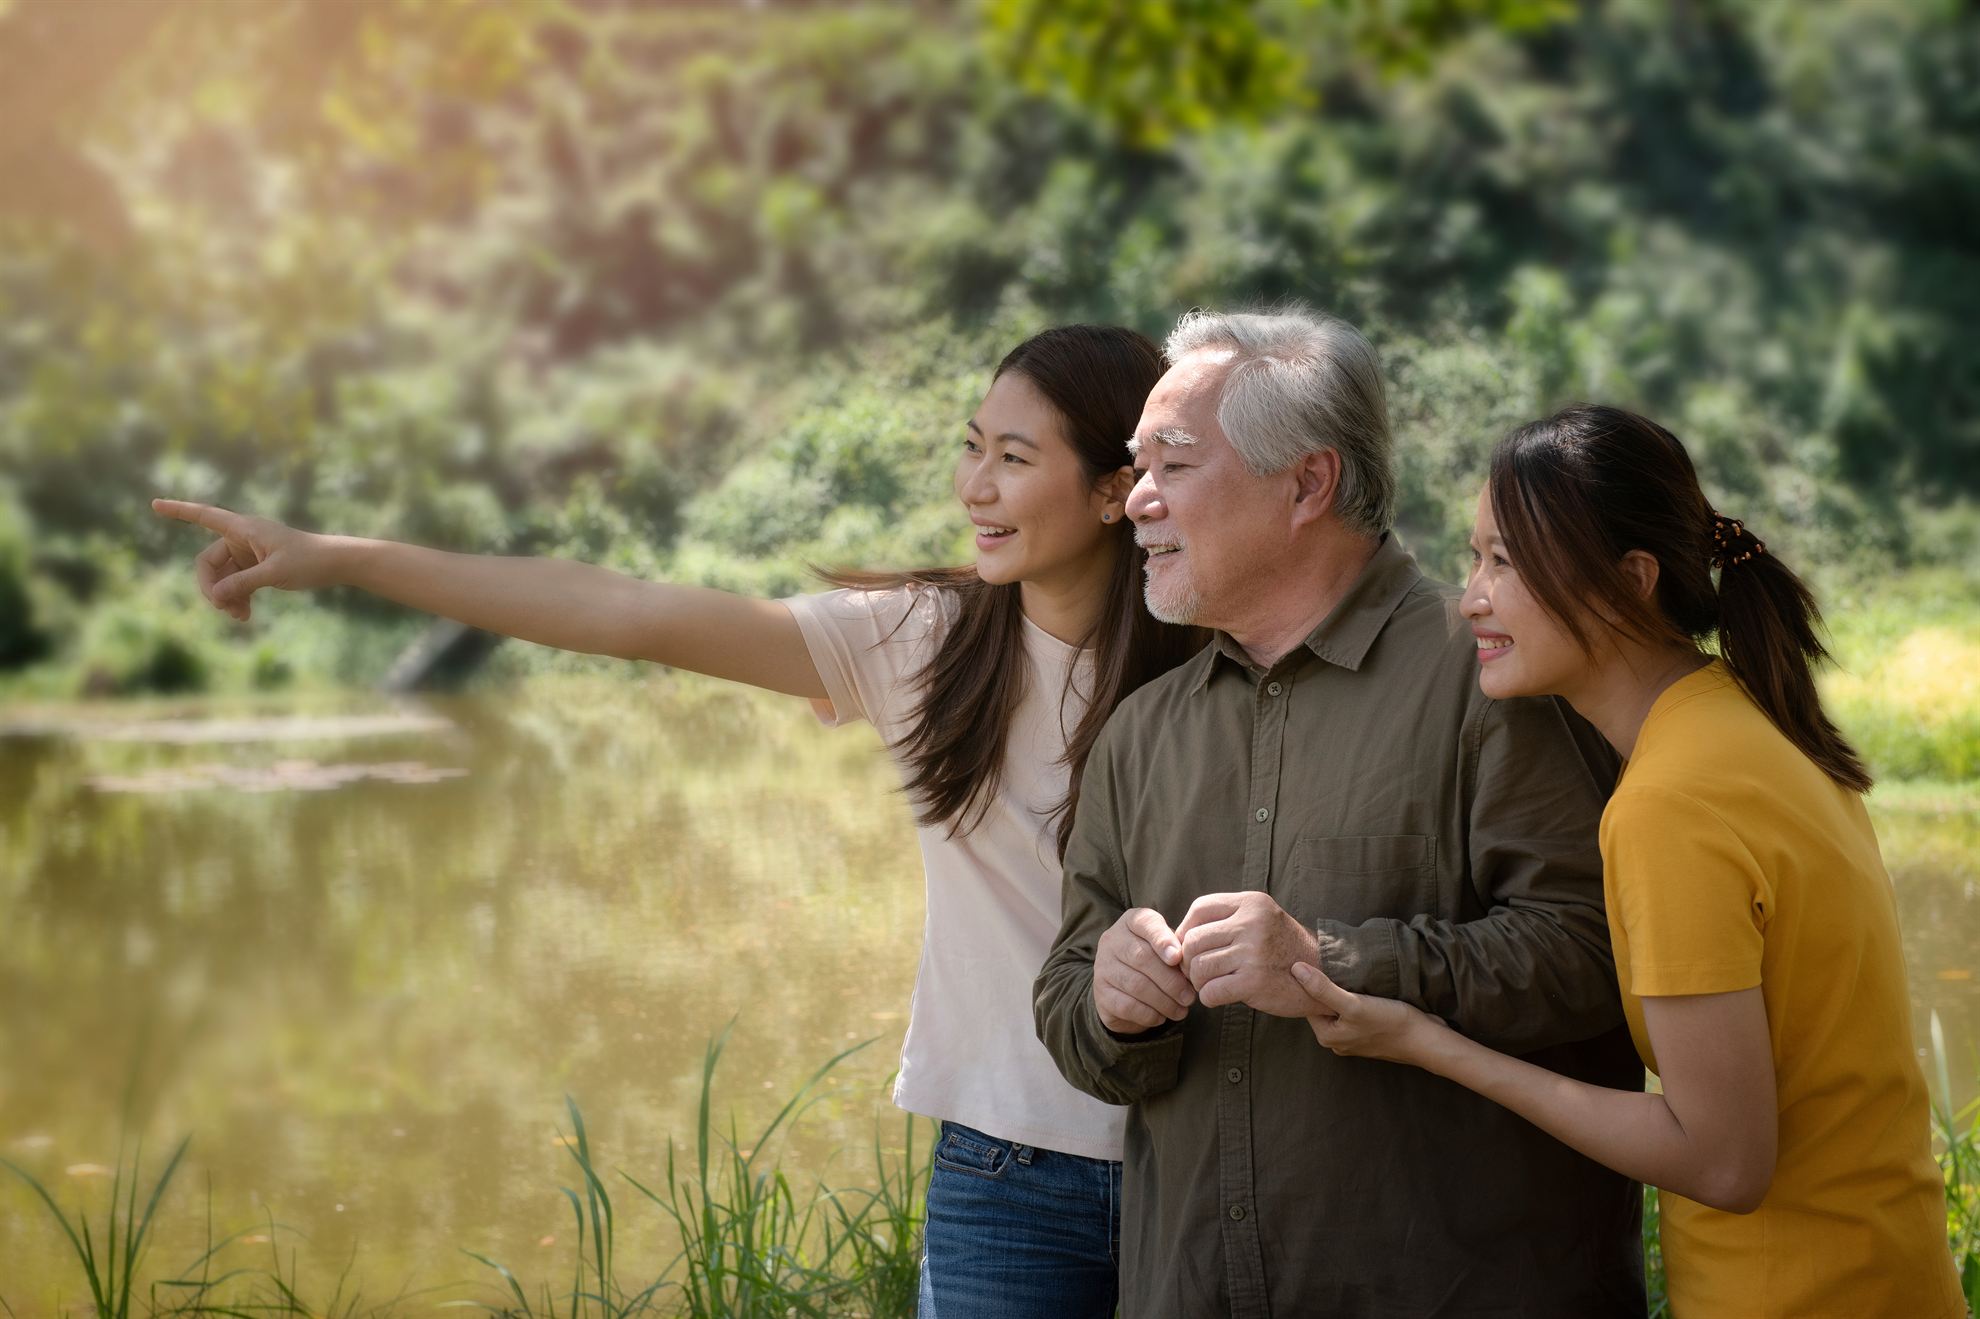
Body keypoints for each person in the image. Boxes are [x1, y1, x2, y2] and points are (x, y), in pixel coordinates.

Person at [152, 324, 1204, 1319]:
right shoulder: (924, 643)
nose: (974, 484)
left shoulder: (1223, 660)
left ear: (1118, 488)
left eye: (1014, 458)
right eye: (972, 446)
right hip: (1004, 1167)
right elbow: (627, 611)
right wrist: (340, 556)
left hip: (1206, 1153)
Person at [1033, 308, 1647, 1318]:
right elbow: (1064, 997)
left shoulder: (1497, 674)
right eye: (1136, 468)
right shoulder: (1140, 733)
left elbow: (1602, 957)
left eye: (1172, 467)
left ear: (1307, 483)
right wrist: (1108, 997)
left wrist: (1330, 957)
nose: (1134, 503)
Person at [1290, 404, 1966, 1317]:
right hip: (1895, 1275)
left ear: (1630, 581)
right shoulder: (1748, 722)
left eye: (1507, 562)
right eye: (1475, 555)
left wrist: (1431, 1044)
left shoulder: (1667, 802)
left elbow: (1724, 1160)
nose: (1472, 597)